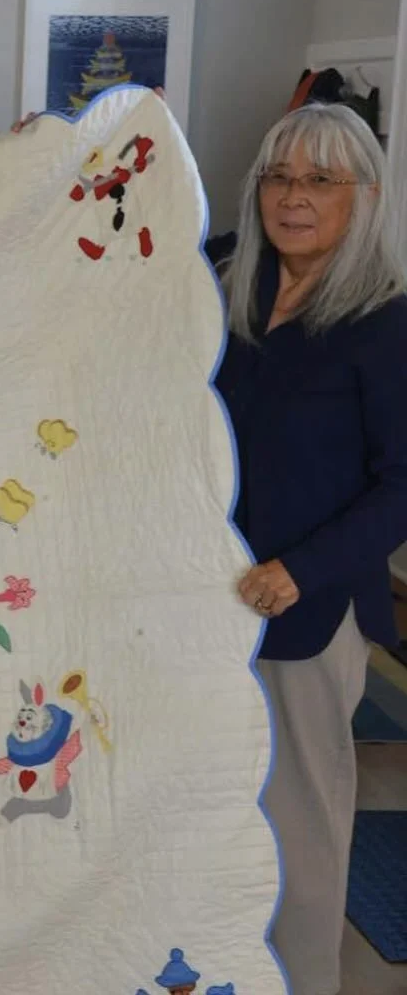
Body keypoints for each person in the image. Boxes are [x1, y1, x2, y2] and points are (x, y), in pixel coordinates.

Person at [211, 103, 407, 994]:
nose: (294, 198)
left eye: (321, 180)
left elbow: (403, 485)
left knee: (298, 826)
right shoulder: (227, 289)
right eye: (280, 177)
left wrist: (303, 570)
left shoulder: (384, 321)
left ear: (363, 197)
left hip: (305, 615)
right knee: (214, 810)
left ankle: (304, 983)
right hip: (205, 602)